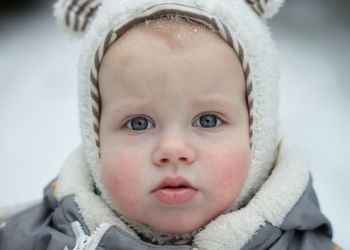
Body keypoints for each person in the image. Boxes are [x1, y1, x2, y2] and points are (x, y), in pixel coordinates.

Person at [0, 0, 340, 249]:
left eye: (208, 120)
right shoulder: (36, 239)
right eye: (138, 123)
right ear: (95, 137)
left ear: (257, 132)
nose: (172, 150)